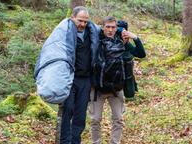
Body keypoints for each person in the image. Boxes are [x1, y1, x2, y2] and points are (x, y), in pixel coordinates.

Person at [89, 16, 146, 144]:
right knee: (95, 120)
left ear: (117, 28)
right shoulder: (96, 40)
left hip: (117, 87)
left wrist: (135, 38)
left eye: (113, 27)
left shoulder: (122, 42)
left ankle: (115, 142)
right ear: (103, 27)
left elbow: (141, 54)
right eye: (107, 27)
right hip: (98, 88)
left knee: (118, 119)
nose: (110, 30)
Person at [59, 6, 98, 144]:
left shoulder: (92, 32)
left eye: (85, 21)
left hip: (85, 80)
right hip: (70, 78)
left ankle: (76, 141)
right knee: (67, 110)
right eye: (80, 20)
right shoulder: (64, 32)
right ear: (73, 18)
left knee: (80, 115)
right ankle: (64, 141)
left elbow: (108, 29)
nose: (82, 24)